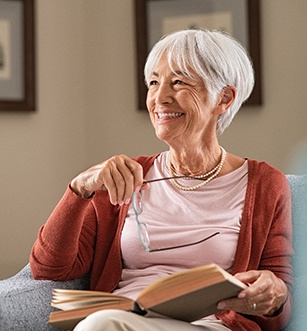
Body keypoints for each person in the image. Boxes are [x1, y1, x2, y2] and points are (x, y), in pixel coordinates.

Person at [30, 29, 293, 331]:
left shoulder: (264, 184)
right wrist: (79, 190)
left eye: (178, 82)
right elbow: (49, 268)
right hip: (126, 318)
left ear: (224, 98)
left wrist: (277, 294)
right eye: (154, 82)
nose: (159, 98)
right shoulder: (124, 177)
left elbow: (280, 297)